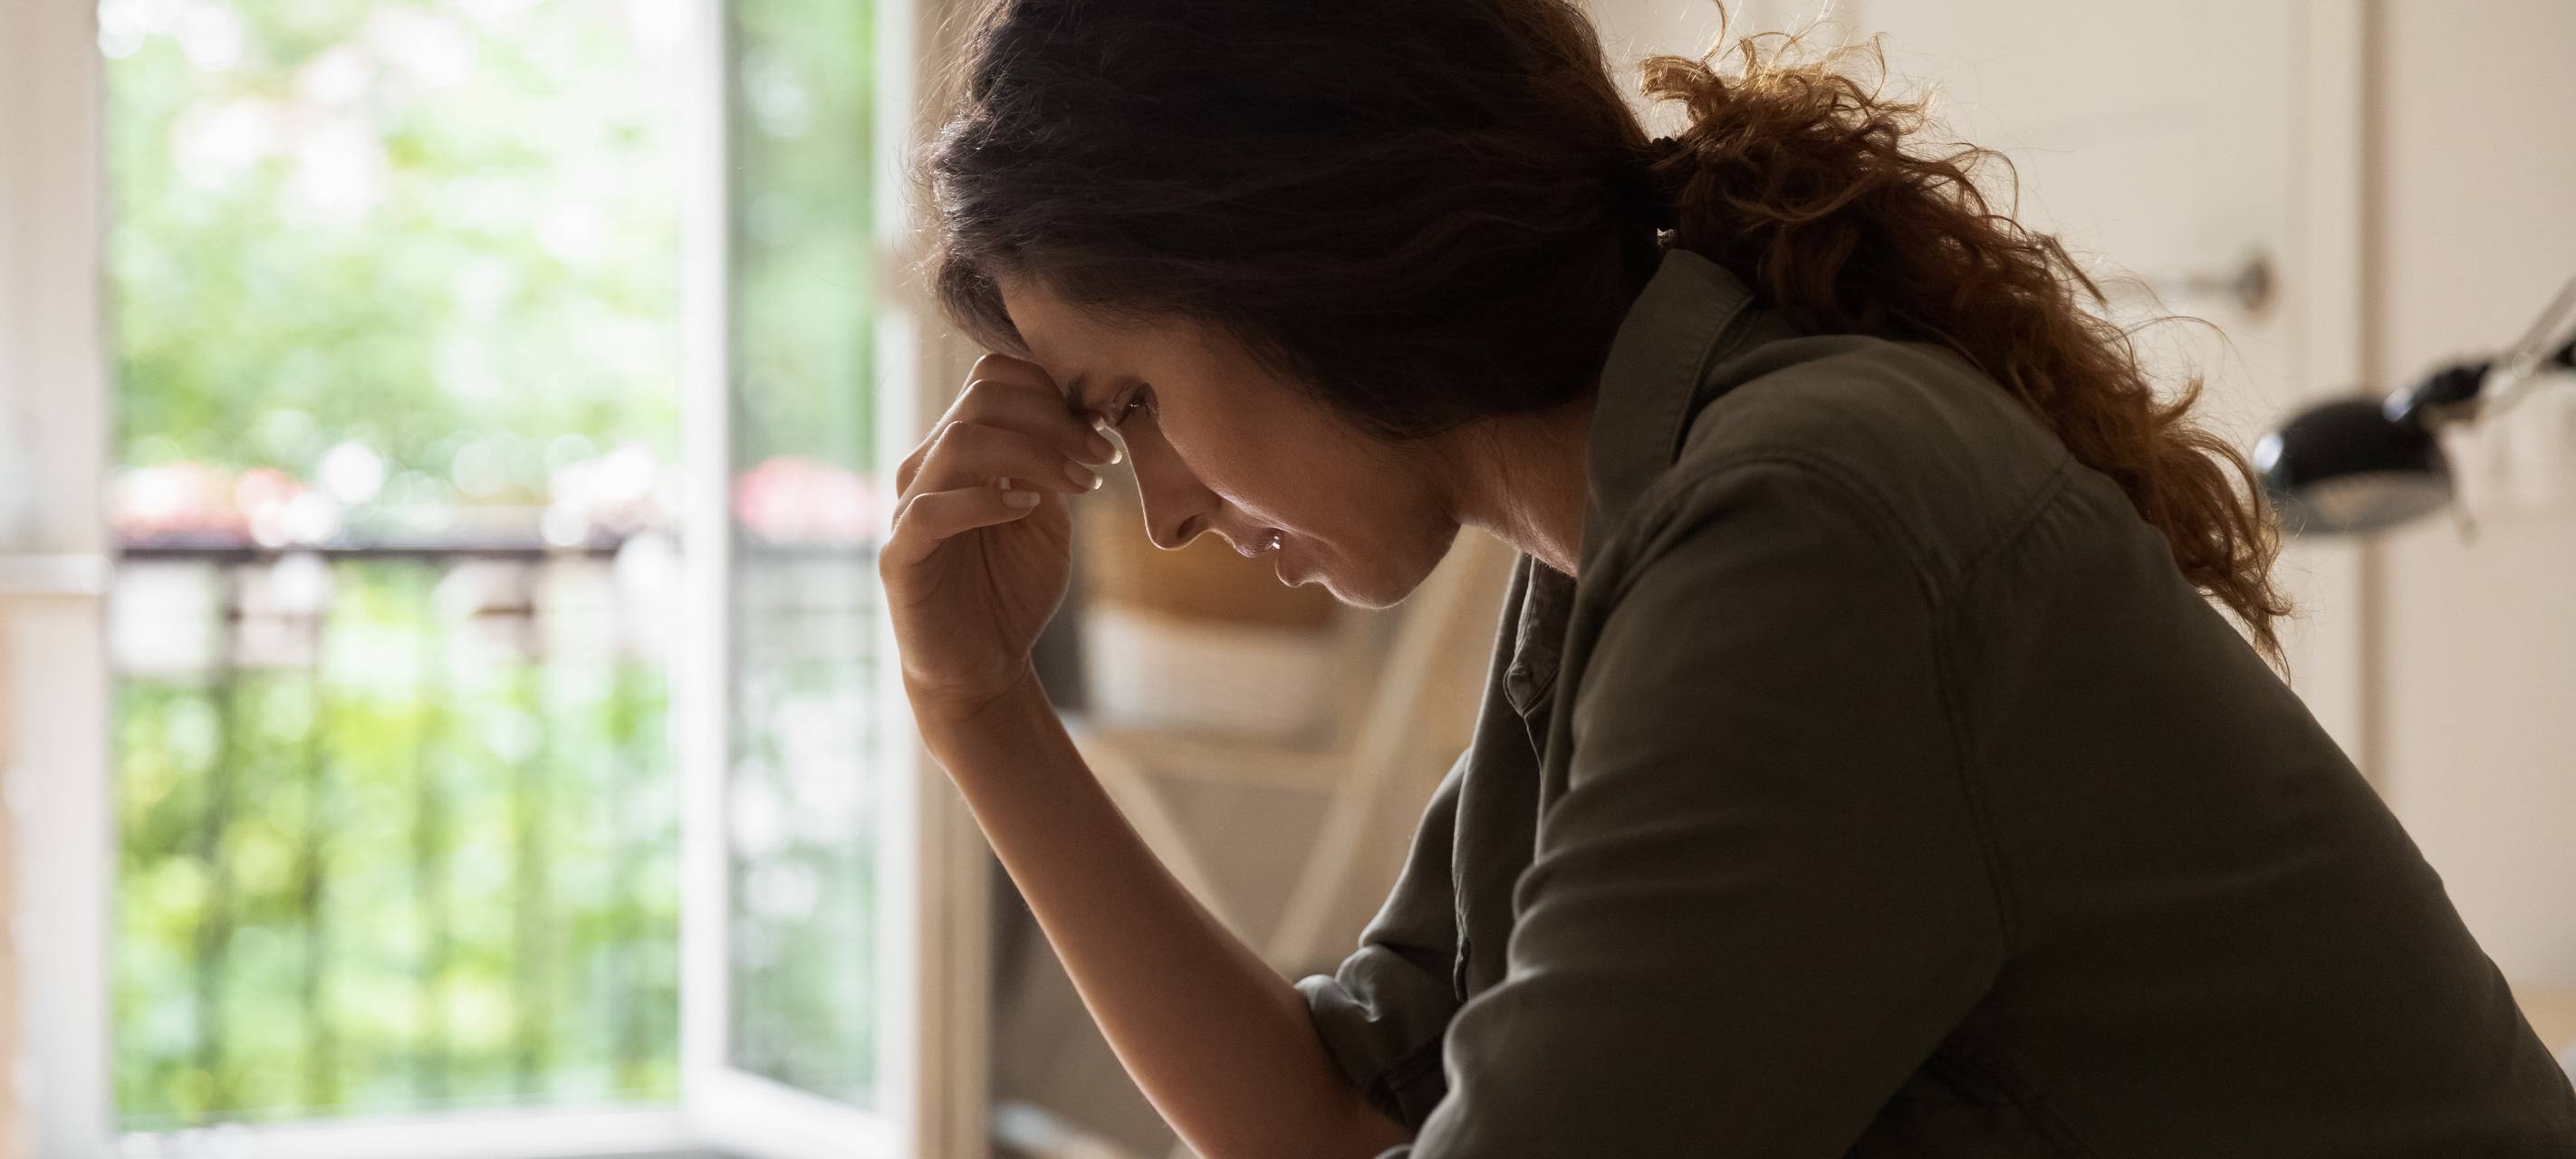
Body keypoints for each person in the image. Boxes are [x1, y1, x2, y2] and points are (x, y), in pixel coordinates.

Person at [879, 2, 2576, 1155]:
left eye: (1136, 408)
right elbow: (1335, 1116)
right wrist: (980, 709)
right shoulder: (1620, 543)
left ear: (1297, 261)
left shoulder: (1800, 525)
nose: (1158, 514)